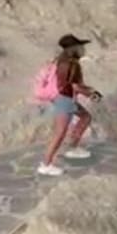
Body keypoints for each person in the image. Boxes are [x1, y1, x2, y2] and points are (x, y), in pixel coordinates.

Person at [38, 34, 103, 176]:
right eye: (80, 46)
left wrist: (90, 90)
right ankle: (46, 164)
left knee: (85, 117)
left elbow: (75, 85)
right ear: (73, 48)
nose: (83, 49)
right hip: (64, 100)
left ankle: (72, 147)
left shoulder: (62, 60)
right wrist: (93, 95)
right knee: (59, 133)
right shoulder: (71, 64)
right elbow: (76, 87)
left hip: (64, 98)